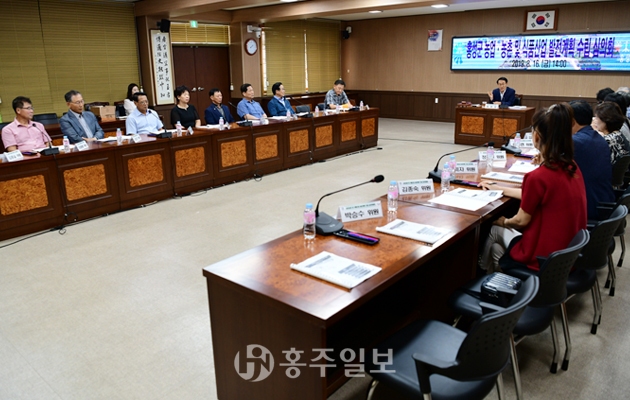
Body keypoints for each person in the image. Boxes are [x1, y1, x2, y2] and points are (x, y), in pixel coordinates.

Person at [478, 103, 587, 272]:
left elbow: (520, 221)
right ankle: (495, 278)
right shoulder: (572, 166)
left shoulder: (538, 177)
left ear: (536, 137)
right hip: (567, 254)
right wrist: (499, 188)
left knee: (494, 229)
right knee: (496, 249)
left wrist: (504, 221)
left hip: (543, 255)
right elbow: (536, 196)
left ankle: (479, 276)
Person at [569, 100, 614, 219]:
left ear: (571, 121)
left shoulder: (576, 142)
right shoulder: (598, 137)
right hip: (602, 200)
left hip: (589, 205)